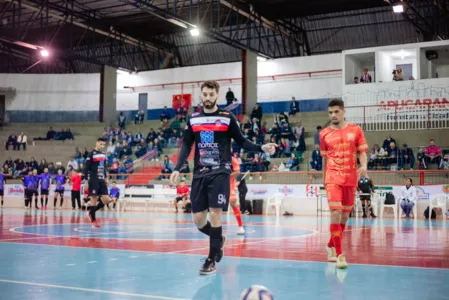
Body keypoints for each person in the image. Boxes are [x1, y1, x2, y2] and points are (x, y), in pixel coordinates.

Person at [170, 80, 276, 275]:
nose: (208, 98)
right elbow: (186, 145)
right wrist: (178, 167)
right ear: (201, 95)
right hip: (200, 173)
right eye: (205, 94)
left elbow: (242, 141)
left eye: (211, 94)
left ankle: (211, 259)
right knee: (198, 220)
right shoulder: (193, 118)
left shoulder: (227, 118)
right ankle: (219, 239)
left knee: (215, 213)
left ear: (217, 96)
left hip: (220, 171)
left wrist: (261, 148)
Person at [320, 99, 368, 269]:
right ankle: (340, 254)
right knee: (335, 212)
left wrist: (364, 166)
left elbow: (362, 152)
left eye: (336, 112)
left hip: (351, 178)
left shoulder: (356, 130)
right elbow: (324, 159)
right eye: (330, 112)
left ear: (343, 111)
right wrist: (324, 179)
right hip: (332, 178)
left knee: (344, 217)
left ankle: (330, 246)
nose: (333, 115)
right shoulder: (323, 134)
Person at [84, 138, 116, 227]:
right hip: (93, 179)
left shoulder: (103, 154)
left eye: (103, 145)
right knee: (93, 198)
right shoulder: (91, 154)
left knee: (106, 200)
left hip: (102, 179)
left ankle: (91, 211)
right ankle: (93, 220)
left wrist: (106, 178)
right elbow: (86, 168)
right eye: (101, 144)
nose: (102, 146)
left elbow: (104, 167)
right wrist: (86, 181)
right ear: (97, 143)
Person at [230, 153, 245, 235]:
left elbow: (237, 172)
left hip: (229, 184)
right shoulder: (216, 158)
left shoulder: (232, 159)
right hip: (218, 185)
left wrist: (226, 175)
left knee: (233, 203)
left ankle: (240, 226)